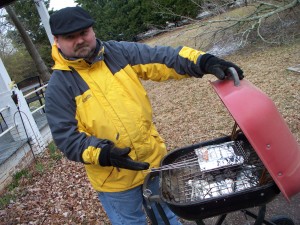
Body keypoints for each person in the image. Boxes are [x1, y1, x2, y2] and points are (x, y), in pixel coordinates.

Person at [46, 6, 244, 225]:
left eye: (83, 33)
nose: (80, 40)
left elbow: (162, 58)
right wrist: (104, 153)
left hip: (153, 162)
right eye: (70, 37)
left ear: (92, 30)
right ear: (57, 40)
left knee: (167, 217)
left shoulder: (117, 53)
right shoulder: (59, 86)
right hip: (114, 178)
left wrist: (203, 61)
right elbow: (67, 138)